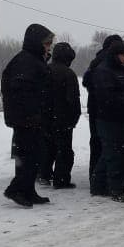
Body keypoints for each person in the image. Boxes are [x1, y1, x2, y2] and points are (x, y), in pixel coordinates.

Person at [1, 24, 55, 208]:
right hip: (26, 119)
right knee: (30, 156)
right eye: (47, 43)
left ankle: (28, 191)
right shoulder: (25, 61)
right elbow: (21, 92)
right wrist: (31, 114)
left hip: (32, 118)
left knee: (34, 155)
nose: (49, 47)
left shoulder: (33, 60)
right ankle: (15, 189)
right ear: (37, 43)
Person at [89, 40, 124, 202]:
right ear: (115, 55)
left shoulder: (121, 70)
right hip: (109, 120)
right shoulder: (104, 71)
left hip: (120, 119)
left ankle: (98, 186)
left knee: (109, 155)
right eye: (123, 55)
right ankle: (116, 190)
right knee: (114, 156)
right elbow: (107, 97)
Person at [38, 42, 81, 189]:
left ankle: (44, 175)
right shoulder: (69, 74)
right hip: (63, 120)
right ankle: (61, 180)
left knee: (47, 148)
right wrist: (74, 118)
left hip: (45, 118)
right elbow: (73, 100)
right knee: (64, 151)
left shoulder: (44, 70)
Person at [82, 34, 122, 179]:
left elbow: (86, 81)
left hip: (94, 105)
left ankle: (94, 173)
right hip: (106, 109)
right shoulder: (111, 61)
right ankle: (102, 177)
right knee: (109, 144)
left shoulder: (96, 60)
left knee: (96, 141)